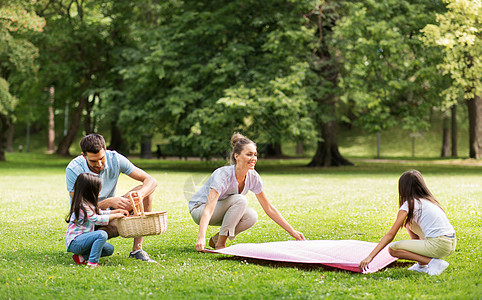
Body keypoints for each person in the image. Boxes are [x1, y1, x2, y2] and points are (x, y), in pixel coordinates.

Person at [190, 132, 305, 251]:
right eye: (249, 154)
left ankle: (217, 240)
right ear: (236, 156)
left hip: (220, 210)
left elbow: (269, 208)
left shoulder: (253, 177)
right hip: (200, 209)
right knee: (240, 200)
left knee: (251, 216)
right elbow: (209, 209)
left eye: (255, 155)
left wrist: (292, 231)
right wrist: (201, 237)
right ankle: (221, 244)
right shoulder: (223, 175)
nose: (253, 158)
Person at [66, 133, 158, 262]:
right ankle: (85, 247)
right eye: (93, 161)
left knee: (146, 193)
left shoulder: (115, 158)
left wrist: (140, 195)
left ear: (105, 150)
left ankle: (137, 250)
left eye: (102, 158)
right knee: (101, 230)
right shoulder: (74, 168)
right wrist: (108, 202)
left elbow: (151, 180)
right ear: (83, 156)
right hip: (87, 220)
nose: (99, 164)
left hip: (106, 212)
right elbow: (78, 205)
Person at [359, 170, 456, 276]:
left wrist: (370, 257)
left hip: (438, 245)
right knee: (409, 223)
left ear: (402, 189)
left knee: (393, 249)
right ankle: (421, 265)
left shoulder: (409, 205)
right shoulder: (430, 201)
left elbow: (391, 234)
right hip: (450, 242)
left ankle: (434, 263)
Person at [66, 173, 129, 268]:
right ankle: (92, 262)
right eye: (97, 191)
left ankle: (81, 258)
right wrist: (116, 215)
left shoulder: (89, 204)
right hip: (75, 242)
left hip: (84, 240)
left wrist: (116, 211)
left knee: (109, 249)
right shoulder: (81, 206)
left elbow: (100, 213)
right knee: (101, 234)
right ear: (89, 192)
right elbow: (96, 219)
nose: (99, 194)